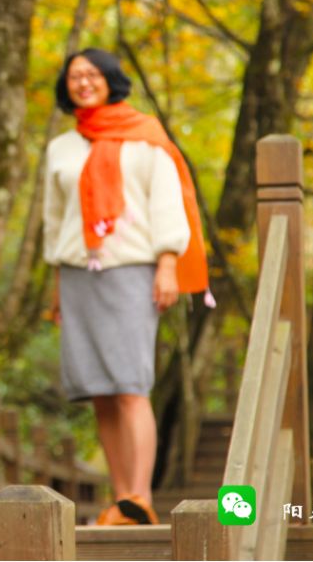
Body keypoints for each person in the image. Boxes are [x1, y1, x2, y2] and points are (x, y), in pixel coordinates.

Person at [42, 48, 210, 526]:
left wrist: (167, 264)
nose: (83, 82)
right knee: (99, 389)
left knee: (131, 385)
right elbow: (56, 222)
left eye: (92, 74)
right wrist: (56, 286)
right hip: (78, 274)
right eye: (75, 76)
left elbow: (166, 203)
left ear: (111, 79)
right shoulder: (62, 147)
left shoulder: (145, 137)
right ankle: (121, 499)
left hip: (133, 269)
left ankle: (141, 498)